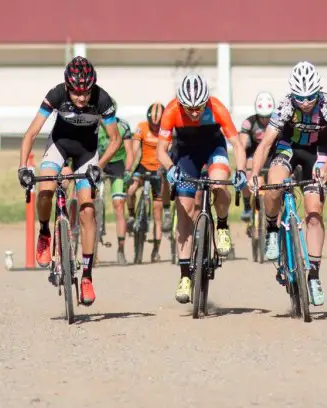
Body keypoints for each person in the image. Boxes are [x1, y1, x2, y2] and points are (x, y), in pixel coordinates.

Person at [17, 56, 120, 306]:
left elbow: (115, 139)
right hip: (59, 146)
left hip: (87, 153)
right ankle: (44, 232)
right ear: (67, 87)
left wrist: (99, 166)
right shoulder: (55, 95)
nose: (82, 98)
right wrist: (23, 167)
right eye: (77, 93)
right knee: (46, 190)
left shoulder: (102, 99)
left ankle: (86, 276)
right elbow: (31, 133)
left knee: (87, 211)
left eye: (86, 92)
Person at [250, 61, 327, 306]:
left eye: (310, 97)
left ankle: (313, 275)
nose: (305, 102)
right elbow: (265, 144)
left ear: (318, 91)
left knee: (314, 213)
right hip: (288, 148)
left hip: (318, 152)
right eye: (300, 97)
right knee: (274, 185)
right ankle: (271, 227)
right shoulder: (284, 106)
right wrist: (254, 173)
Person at [156, 73, 248, 303]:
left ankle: (223, 227)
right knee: (185, 210)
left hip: (213, 148)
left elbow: (236, 143)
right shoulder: (171, 111)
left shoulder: (216, 107)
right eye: (190, 108)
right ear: (181, 103)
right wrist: (169, 167)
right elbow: (160, 150)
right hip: (186, 154)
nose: (195, 112)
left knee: (218, 183)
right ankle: (185, 276)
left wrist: (242, 171)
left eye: (199, 107)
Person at [98, 98, 135, 264]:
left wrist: (128, 170)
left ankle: (121, 249)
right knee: (90, 203)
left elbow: (129, 151)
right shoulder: (93, 127)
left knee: (119, 205)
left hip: (117, 165)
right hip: (98, 163)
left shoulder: (123, 126)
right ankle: (91, 251)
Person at [128, 102, 165, 262]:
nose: (155, 128)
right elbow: (135, 149)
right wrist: (129, 169)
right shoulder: (141, 127)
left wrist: (164, 169)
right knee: (130, 189)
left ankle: (156, 250)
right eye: (153, 125)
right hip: (143, 165)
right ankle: (131, 215)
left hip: (158, 167)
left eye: (158, 125)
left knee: (157, 212)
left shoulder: (166, 130)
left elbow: (168, 151)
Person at [239, 91, 276, 222]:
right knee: (245, 169)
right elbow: (242, 146)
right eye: (262, 116)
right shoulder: (249, 123)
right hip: (254, 155)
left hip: (272, 155)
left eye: (268, 116)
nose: (265, 120)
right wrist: (240, 168)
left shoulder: (278, 122)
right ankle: (248, 206)